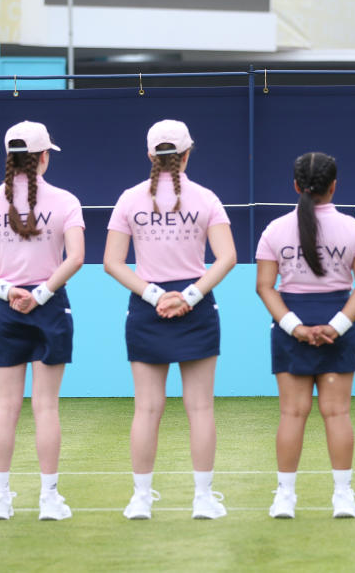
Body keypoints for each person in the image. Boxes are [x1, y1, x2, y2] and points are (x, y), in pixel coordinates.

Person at [104, 119, 236, 520]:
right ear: (188, 152)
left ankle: (140, 500)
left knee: (147, 408)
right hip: (193, 304)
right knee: (201, 408)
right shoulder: (207, 197)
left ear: (150, 155)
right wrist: (191, 296)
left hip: (148, 305)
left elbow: (112, 263)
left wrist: (155, 295)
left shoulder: (129, 198)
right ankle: (202, 499)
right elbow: (227, 257)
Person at [0, 120, 85, 520]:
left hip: (6, 307)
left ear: (9, 158)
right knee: (45, 407)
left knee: (6, 405)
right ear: (44, 157)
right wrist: (41, 294)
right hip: (48, 307)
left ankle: (0, 500)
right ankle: (49, 500)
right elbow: (77, 258)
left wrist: (6, 291)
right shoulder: (65, 201)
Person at [255, 152, 355, 519]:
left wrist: (294, 328)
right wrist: (336, 327)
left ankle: (285, 499)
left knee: (292, 414)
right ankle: (343, 497)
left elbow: (265, 287)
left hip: (290, 324)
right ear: (334, 185)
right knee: (337, 413)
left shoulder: (274, 230)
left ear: (296, 186)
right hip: (338, 323)